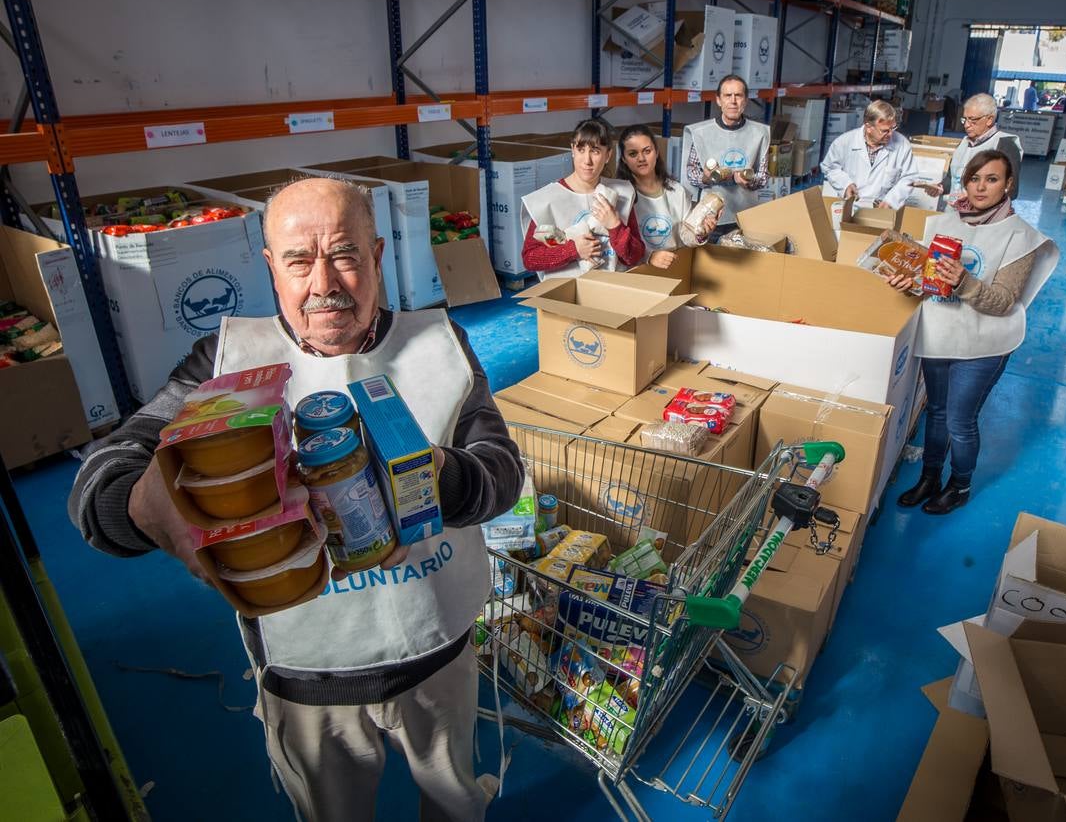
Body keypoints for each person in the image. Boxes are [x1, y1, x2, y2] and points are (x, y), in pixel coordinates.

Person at [69, 177, 525, 822]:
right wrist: (144, 507)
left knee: (454, 806)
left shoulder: (441, 344)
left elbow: (502, 472)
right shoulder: (223, 364)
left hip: (439, 651)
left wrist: (434, 477)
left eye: (344, 254)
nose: (324, 284)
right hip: (308, 672)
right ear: (269, 267)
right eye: (298, 259)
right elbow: (102, 479)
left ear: (377, 255)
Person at [888, 150, 1059, 514]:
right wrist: (910, 281)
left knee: (959, 421)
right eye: (974, 178)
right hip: (940, 333)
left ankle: (959, 486)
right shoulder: (944, 223)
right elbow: (929, 282)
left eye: (992, 179)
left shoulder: (1021, 237)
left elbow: (1003, 301)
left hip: (985, 343)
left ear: (1008, 184)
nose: (981, 187)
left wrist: (964, 281)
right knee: (935, 412)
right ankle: (930, 477)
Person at [521, 119, 644, 278]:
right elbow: (531, 258)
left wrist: (615, 226)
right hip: (564, 295)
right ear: (572, 149)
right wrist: (574, 250)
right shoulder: (548, 201)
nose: (587, 161)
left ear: (608, 155)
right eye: (581, 149)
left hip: (611, 291)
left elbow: (634, 256)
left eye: (595, 151)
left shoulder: (621, 194)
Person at [616, 124, 718, 269]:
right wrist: (649, 256)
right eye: (633, 154)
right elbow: (620, 244)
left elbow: (686, 235)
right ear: (624, 159)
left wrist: (701, 232)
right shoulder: (620, 197)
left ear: (656, 152)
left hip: (673, 269)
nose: (641, 158)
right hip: (637, 275)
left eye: (647, 151)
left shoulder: (677, 192)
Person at [683, 74, 770, 234]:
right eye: (727, 95)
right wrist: (706, 177)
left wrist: (748, 181)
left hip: (746, 216)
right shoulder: (701, 133)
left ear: (746, 100)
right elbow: (691, 173)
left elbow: (763, 177)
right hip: (711, 217)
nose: (733, 101)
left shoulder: (760, 133)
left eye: (738, 95)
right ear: (718, 100)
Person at [821, 99, 933, 213]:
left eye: (893, 128)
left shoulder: (902, 144)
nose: (890, 134)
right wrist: (845, 184)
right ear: (868, 127)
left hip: (883, 208)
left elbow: (910, 177)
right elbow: (829, 167)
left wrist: (891, 200)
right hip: (851, 207)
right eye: (884, 130)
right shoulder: (844, 142)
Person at [944, 93, 1023, 201]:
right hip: (954, 212)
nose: (966, 125)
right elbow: (952, 178)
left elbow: (1011, 191)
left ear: (989, 119)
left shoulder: (1005, 145)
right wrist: (940, 187)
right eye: (964, 119)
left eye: (972, 120)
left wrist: (974, 197)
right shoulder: (963, 143)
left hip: (983, 216)